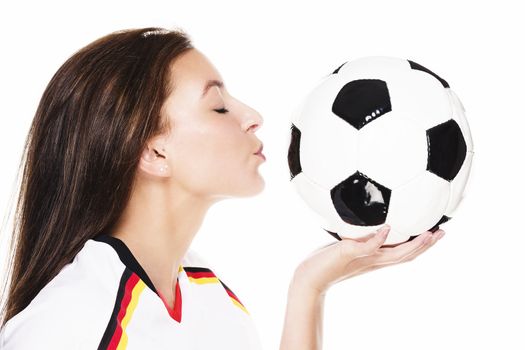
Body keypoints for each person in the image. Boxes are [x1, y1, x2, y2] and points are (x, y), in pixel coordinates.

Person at [0, 27, 445, 350]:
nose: (252, 115)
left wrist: (309, 288)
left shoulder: (206, 292)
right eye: (218, 106)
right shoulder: (66, 328)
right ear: (154, 153)